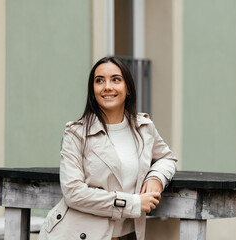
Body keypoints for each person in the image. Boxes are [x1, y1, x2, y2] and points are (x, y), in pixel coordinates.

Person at [38, 56, 177, 240]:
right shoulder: (76, 133)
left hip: (128, 234)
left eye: (116, 79)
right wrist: (133, 203)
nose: (107, 87)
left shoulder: (143, 127)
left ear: (127, 88)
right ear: (93, 90)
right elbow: (73, 192)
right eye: (99, 81)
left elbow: (167, 158)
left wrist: (156, 177)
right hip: (76, 233)